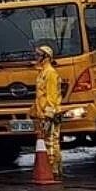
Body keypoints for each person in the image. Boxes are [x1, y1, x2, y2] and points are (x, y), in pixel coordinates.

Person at [30, 44, 63, 179]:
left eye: (38, 55)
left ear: (46, 57)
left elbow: (51, 96)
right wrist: (33, 111)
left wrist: (49, 115)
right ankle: (52, 167)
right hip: (43, 114)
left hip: (51, 114)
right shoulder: (42, 73)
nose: (36, 57)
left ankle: (53, 169)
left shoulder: (50, 73)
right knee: (47, 140)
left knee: (51, 141)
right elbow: (40, 96)